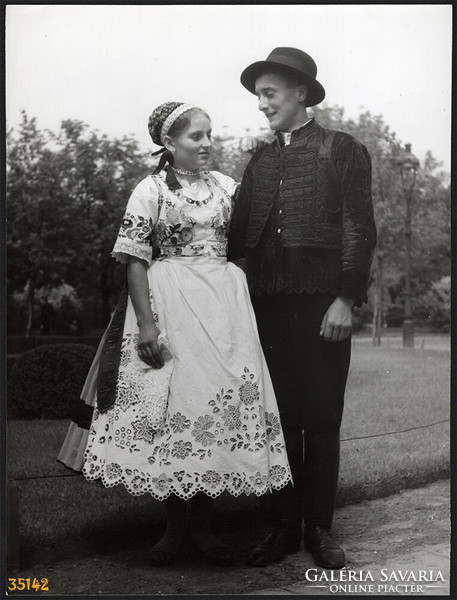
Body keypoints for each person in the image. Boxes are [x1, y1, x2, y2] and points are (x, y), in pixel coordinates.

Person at [58, 102, 292, 567]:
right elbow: (135, 260)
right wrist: (147, 323)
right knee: (173, 405)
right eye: (196, 137)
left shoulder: (228, 187)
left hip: (224, 307)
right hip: (170, 302)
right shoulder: (149, 190)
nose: (207, 143)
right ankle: (175, 529)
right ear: (169, 143)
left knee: (217, 403)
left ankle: (203, 528)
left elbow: (259, 232)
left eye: (210, 134)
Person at [228, 47, 377, 569]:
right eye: (259, 95)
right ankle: (283, 528)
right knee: (280, 419)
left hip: (322, 306)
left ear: (300, 93)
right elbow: (239, 238)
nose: (261, 104)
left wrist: (344, 298)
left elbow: (360, 228)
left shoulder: (342, 149)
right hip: (267, 307)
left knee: (322, 417)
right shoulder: (260, 159)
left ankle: (319, 529)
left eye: (269, 93)